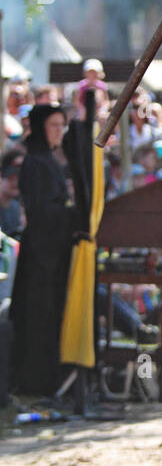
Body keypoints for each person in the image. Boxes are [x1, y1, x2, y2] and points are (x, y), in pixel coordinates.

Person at [9, 105, 75, 396]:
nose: (59, 130)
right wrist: (70, 212)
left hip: (53, 250)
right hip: (41, 252)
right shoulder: (35, 163)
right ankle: (35, 380)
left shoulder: (48, 159)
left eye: (62, 125)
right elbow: (41, 210)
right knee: (37, 316)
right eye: (53, 125)